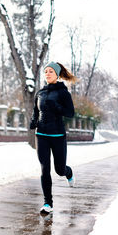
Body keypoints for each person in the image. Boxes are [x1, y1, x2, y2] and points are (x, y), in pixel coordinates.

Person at [30, 61, 77, 214]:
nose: (47, 74)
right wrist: (33, 121)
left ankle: (68, 173)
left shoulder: (63, 93)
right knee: (45, 169)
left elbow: (70, 113)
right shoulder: (40, 93)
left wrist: (56, 107)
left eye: (51, 71)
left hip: (57, 135)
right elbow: (36, 111)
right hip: (41, 134)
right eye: (46, 71)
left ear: (57, 74)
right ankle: (47, 203)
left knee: (59, 170)